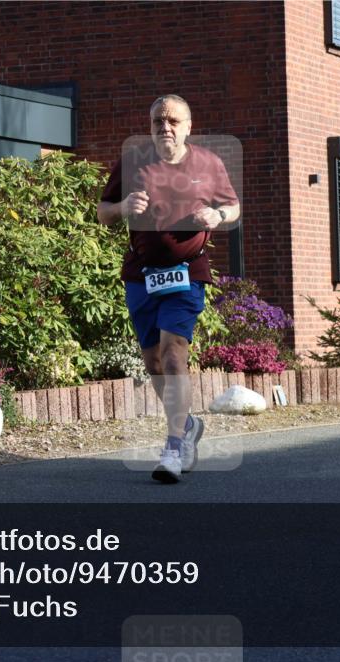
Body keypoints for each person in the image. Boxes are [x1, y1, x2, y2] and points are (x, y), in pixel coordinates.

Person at [97, 94, 240, 483]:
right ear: (150, 126)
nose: (165, 127)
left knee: (173, 352)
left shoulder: (208, 164)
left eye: (173, 121)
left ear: (188, 127)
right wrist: (122, 207)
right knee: (154, 363)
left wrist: (218, 214)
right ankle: (187, 424)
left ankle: (174, 447)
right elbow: (103, 211)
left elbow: (233, 206)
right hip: (141, 274)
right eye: (158, 121)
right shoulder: (133, 162)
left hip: (187, 272)